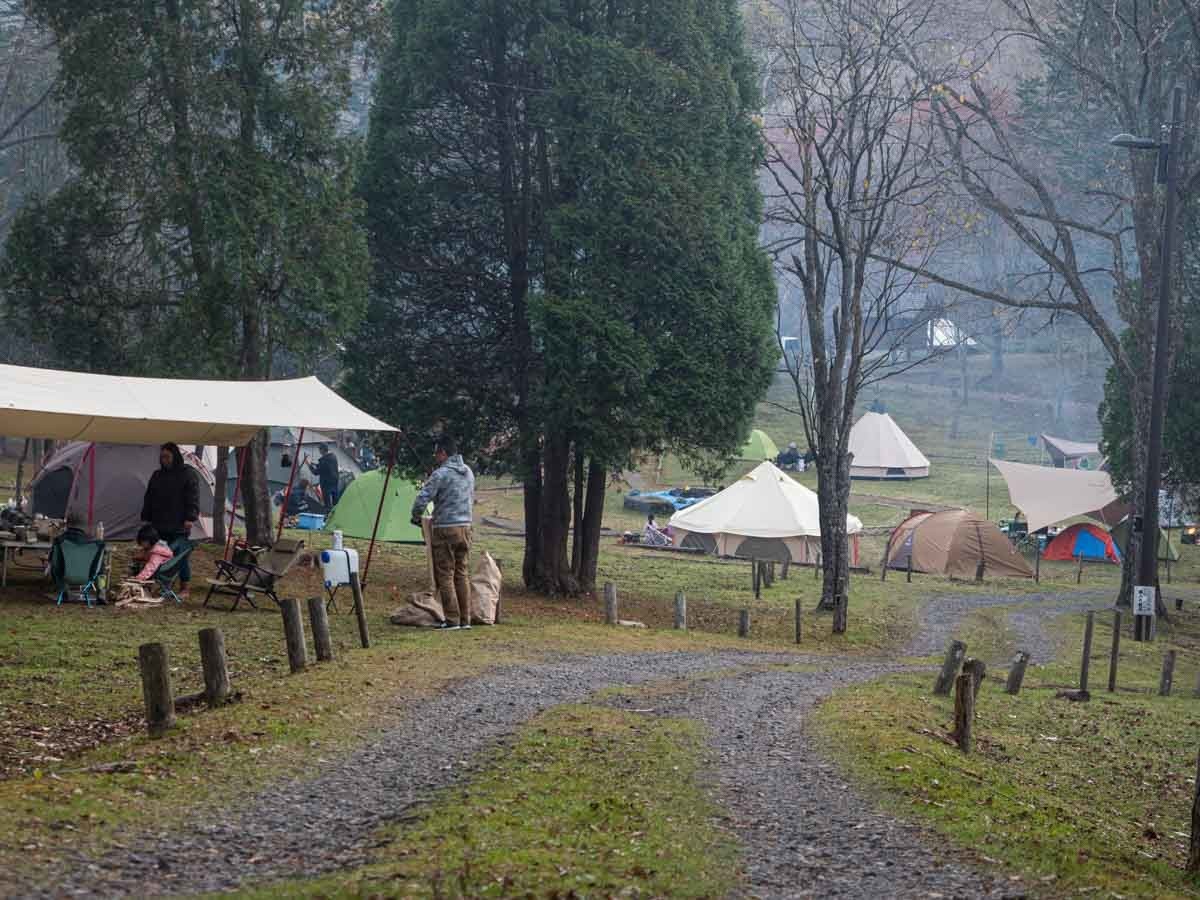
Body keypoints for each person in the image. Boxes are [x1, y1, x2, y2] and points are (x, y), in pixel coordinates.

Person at [411, 435, 475, 630]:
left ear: (444, 453)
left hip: (445, 529)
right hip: (466, 528)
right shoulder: (469, 472)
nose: (435, 456)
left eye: (436, 453)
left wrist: (415, 516)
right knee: (462, 573)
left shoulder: (441, 474)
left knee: (445, 575)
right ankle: (466, 620)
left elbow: (423, 498)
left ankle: (452, 620)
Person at [141, 442, 199, 600]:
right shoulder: (157, 475)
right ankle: (157, 584)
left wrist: (190, 518)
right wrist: (146, 518)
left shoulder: (187, 474)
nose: (164, 460)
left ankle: (185, 588)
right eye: (162, 457)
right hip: (159, 523)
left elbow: (193, 497)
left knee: (181, 557)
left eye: (167, 457)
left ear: (175, 456)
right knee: (157, 555)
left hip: (179, 523)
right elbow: (149, 498)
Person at [308, 444, 340, 512]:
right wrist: (315, 464)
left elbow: (315, 472)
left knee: (327, 503)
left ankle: (328, 515)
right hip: (335, 481)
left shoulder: (324, 461)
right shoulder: (333, 456)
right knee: (336, 501)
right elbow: (326, 467)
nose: (319, 451)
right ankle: (337, 512)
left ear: (322, 450)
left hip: (326, 484)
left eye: (320, 450)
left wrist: (308, 465)